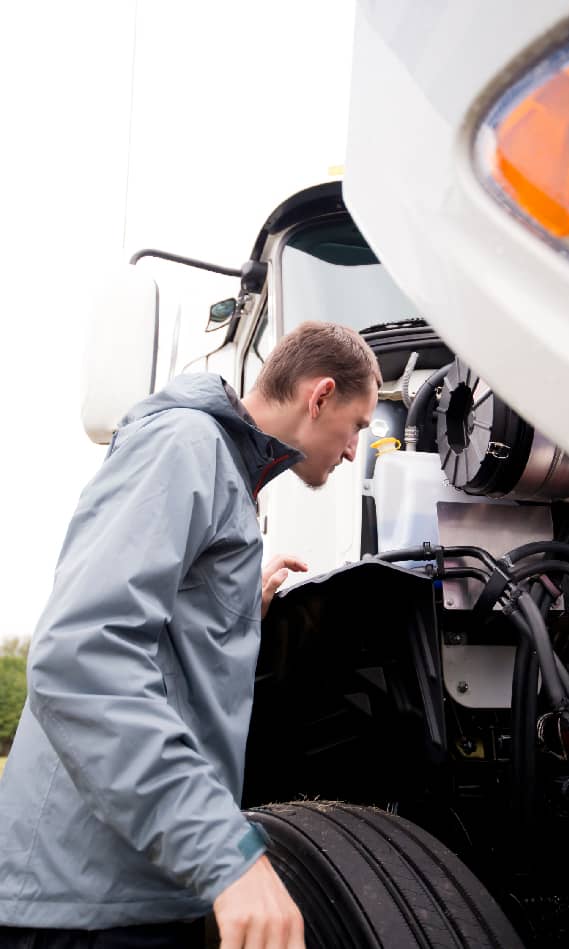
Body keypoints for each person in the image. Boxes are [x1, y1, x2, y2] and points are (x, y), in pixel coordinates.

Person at [0, 320, 382, 949]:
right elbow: (81, 657)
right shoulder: (184, 443)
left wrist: (232, 611)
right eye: (358, 426)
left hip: (136, 885)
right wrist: (228, 854)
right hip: (86, 903)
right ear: (319, 396)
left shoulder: (228, 474)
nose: (351, 451)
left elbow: (160, 643)